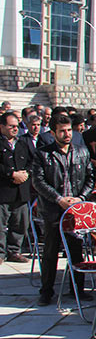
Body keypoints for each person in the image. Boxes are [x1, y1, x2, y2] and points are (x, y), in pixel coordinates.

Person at [32, 114, 94, 305]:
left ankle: (77, 289)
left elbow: (90, 177)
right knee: (50, 252)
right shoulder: (43, 154)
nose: (67, 134)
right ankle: (46, 291)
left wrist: (80, 198)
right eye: (62, 131)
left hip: (75, 209)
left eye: (69, 130)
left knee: (76, 251)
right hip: (53, 209)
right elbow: (38, 181)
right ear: (53, 133)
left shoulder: (82, 152)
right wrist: (58, 199)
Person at [0, 112, 30, 264]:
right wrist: (11, 174)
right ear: (2, 127)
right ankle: (0, 253)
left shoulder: (22, 143)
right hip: (4, 190)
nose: (14, 129)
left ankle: (14, 251)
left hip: (21, 191)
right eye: (11, 126)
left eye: (16, 126)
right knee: (1, 224)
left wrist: (25, 174)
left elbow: (32, 161)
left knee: (20, 223)